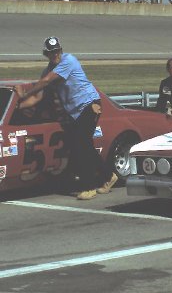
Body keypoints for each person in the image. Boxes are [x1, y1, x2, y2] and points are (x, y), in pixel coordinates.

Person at [15, 36, 117, 200]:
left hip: (89, 104)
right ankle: (108, 175)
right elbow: (37, 97)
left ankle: (89, 186)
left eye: (57, 51)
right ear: (46, 54)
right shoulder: (48, 70)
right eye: (51, 52)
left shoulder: (69, 60)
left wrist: (25, 93)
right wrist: (19, 104)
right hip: (75, 112)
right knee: (82, 144)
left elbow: (45, 81)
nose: (55, 55)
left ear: (60, 50)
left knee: (81, 143)